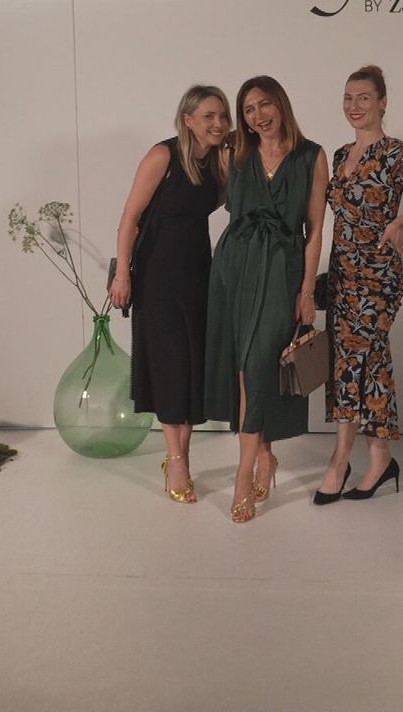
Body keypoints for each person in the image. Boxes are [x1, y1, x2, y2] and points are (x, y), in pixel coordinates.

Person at [315, 65, 403, 504]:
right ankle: (380, 458)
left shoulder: (394, 153)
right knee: (361, 364)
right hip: (342, 274)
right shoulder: (340, 155)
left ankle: (339, 460)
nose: (354, 106)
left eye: (364, 98)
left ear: (383, 103)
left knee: (356, 361)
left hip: (376, 275)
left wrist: (399, 221)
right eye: (348, 97)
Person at [204, 75, 329, 523]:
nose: (258, 115)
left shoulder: (312, 156)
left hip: (281, 271)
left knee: (259, 365)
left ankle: (243, 475)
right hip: (234, 268)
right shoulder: (234, 152)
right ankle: (263, 458)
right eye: (249, 109)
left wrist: (307, 290)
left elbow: (315, 230)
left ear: (281, 104)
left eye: (264, 104)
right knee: (244, 369)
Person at [109, 85, 230, 504]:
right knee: (170, 366)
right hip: (157, 276)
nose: (219, 123)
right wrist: (122, 274)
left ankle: (182, 457)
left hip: (198, 273)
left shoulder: (216, 162)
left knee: (192, 366)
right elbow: (129, 218)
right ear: (188, 119)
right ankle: (175, 460)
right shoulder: (162, 156)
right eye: (209, 116)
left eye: (223, 116)